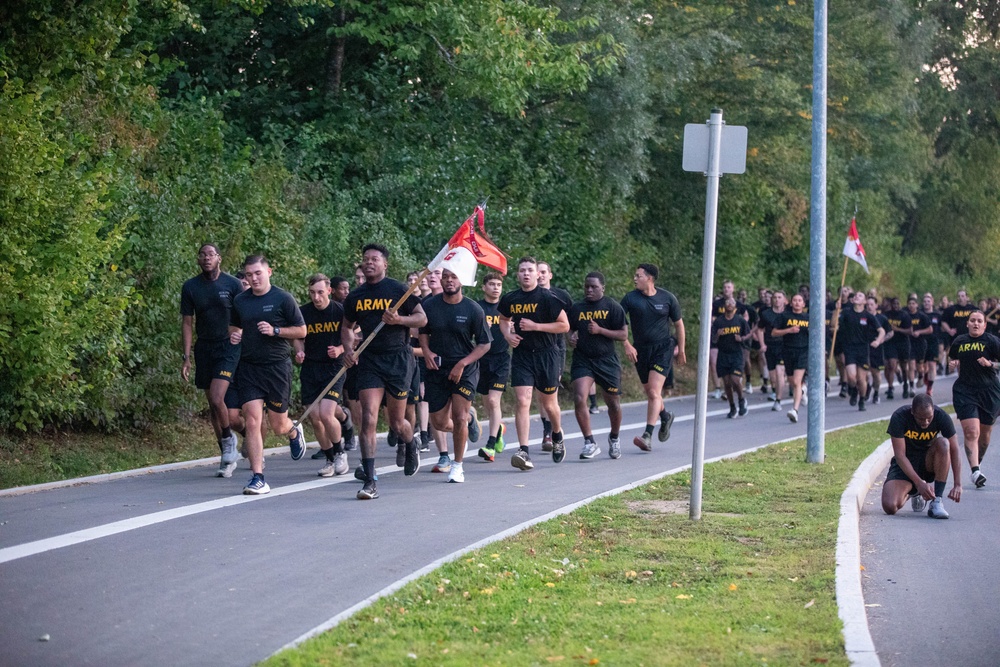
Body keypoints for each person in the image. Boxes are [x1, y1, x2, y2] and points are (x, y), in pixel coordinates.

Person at [342, 244, 427, 499]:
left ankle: (410, 442)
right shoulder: (355, 296)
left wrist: (399, 320)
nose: (369, 263)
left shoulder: (399, 290)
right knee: (368, 418)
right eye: (366, 259)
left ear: (384, 264)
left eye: (375, 259)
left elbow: (421, 319)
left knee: (397, 422)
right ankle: (370, 480)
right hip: (369, 360)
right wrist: (348, 349)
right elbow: (347, 326)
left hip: (398, 359)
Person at [228, 254, 307, 495]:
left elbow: (301, 330)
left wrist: (276, 330)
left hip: (276, 368)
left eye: (258, 273)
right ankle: (258, 477)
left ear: (269, 272)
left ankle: (293, 430)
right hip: (249, 367)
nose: (253, 278)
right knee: (252, 420)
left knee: (278, 425)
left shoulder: (283, 298)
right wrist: (235, 334)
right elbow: (234, 325)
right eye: (249, 275)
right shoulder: (241, 300)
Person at [419, 268, 493, 483]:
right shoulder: (429, 305)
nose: (449, 281)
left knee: (458, 417)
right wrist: (426, 351)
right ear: (441, 280)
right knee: (440, 423)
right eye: (446, 277)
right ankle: (471, 421)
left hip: (465, 369)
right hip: (437, 369)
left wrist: (463, 363)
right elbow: (423, 332)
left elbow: (484, 344)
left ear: (462, 281)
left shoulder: (473, 309)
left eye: (454, 277)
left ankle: (457, 466)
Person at [180, 244, 247, 478]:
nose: (207, 258)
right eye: (203, 255)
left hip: (228, 347)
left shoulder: (232, 284)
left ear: (219, 258)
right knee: (212, 404)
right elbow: (187, 323)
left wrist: (242, 334)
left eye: (211, 255)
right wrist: (186, 357)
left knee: (219, 398)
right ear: (198, 260)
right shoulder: (191, 287)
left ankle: (230, 439)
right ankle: (226, 455)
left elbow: (245, 313)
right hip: (204, 348)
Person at [498, 257, 570, 470]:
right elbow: (503, 319)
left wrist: (536, 326)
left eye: (530, 270)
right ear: (517, 274)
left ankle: (557, 435)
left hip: (547, 354)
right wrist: (508, 336)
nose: (526, 274)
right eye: (522, 270)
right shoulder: (511, 298)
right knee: (522, 400)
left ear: (538, 274)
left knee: (549, 404)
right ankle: (524, 450)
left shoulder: (548, 297)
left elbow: (564, 326)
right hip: (522, 355)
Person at [621, 263, 685, 450]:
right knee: (650, 392)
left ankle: (647, 435)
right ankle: (665, 416)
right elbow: (618, 321)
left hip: (663, 349)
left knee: (654, 392)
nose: (634, 278)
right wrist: (627, 344)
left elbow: (679, 325)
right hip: (641, 350)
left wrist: (681, 349)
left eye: (638, 275)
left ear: (649, 278)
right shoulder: (630, 298)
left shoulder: (667, 298)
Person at [567, 271, 628, 458]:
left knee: (613, 404)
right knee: (579, 397)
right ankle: (589, 442)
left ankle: (615, 437)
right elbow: (567, 327)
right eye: (587, 286)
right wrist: (571, 336)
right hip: (583, 359)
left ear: (603, 287)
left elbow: (623, 335)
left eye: (594, 287)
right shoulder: (577, 308)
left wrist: (601, 330)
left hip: (606, 360)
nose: (589, 290)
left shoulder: (613, 307)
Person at [293, 274, 348, 477]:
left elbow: (357, 335)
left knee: (326, 414)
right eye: (312, 293)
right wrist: (299, 351)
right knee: (315, 418)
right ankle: (330, 458)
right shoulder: (303, 312)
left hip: (334, 367)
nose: (316, 297)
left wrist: (341, 349)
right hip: (311, 368)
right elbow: (298, 337)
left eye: (320, 292)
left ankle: (340, 452)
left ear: (329, 291)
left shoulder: (340, 311)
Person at [881, 394, 962, 519]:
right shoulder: (900, 417)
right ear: (913, 412)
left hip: (928, 461)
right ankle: (913, 492)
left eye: (929, 418)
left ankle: (937, 501)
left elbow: (955, 449)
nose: (925, 422)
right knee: (890, 506)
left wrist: (957, 484)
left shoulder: (941, 417)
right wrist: (919, 483)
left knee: (944, 444)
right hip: (906, 463)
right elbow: (900, 456)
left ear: (933, 411)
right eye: (921, 419)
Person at [947, 309, 1000, 489]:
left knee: (984, 437)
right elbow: (952, 359)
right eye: (973, 320)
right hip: (965, 391)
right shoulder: (960, 341)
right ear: (967, 323)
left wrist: (990, 364)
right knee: (971, 431)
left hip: (989, 392)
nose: (976, 323)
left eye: (979, 321)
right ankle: (975, 471)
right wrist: (953, 364)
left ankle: (977, 463)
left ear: (985, 325)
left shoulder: (992, 341)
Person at [536, 261, 574, 451]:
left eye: (544, 272)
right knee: (539, 392)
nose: (541, 275)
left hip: (556, 346)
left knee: (550, 391)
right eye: (538, 272)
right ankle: (546, 430)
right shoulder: (529, 296)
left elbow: (572, 319)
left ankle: (552, 432)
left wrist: (575, 334)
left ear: (550, 275)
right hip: (534, 347)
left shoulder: (561, 296)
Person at [476, 272, 510, 462]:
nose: (496, 287)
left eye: (499, 284)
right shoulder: (478, 308)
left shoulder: (506, 308)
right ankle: (498, 431)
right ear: (484, 287)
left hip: (501, 358)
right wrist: (482, 327)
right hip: (481, 359)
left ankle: (490, 445)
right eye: (492, 284)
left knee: (493, 400)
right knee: (486, 402)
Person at [838, 290, 885, 412]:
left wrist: (878, 341)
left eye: (860, 296)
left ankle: (862, 399)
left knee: (861, 379)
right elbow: (835, 325)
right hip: (850, 349)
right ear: (852, 300)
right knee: (852, 377)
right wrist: (836, 311)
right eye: (856, 296)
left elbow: (882, 331)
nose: (857, 297)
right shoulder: (846, 313)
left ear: (864, 301)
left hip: (863, 349)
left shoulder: (868, 316)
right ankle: (853, 391)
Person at [711, 296, 751, 418]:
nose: (729, 304)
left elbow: (748, 334)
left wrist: (742, 339)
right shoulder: (718, 322)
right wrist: (717, 335)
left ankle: (741, 399)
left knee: (735, 379)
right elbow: (713, 340)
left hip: (736, 354)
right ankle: (732, 406)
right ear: (724, 305)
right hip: (723, 355)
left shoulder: (740, 320)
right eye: (727, 302)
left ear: (735, 306)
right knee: (727, 383)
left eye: (732, 302)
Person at [773, 293, 809, 423]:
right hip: (788, 350)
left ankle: (795, 410)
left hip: (803, 351)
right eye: (795, 300)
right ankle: (802, 390)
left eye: (800, 300)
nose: (797, 302)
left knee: (796, 382)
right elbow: (774, 332)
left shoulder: (808, 317)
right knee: (792, 381)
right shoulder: (784, 316)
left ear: (804, 304)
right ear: (791, 302)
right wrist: (788, 330)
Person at [758, 290, 788, 411]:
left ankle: (778, 400)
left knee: (779, 371)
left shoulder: (788, 313)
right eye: (775, 297)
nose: (776, 299)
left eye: (779, 297)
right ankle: (776, 390)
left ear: (784, 300)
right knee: (773, 376)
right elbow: (760, 329)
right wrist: (762, 344)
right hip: (770, 346)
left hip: (784, 346)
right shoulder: (766, 314)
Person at [904, 296, 933, 398]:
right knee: (911, 365)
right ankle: (911, 387)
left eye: (913, 303)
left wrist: (919, 332)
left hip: (920, 343)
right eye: (909, 304)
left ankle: (921, 375)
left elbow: (930, 329)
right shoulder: (906, 316)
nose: (911, 306)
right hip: (909, 343)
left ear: (916, 305)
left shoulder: (922, 316)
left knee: (920, 367)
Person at [883, 297, 911, 399]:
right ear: (891, 305)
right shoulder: (886, 315)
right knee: (891, 365)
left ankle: (905, 385)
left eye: (898, 304)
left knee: (904, 367)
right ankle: (890, 388)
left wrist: (897, 329)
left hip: (903, 343)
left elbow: (909, 331)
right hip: (890, 343)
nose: (896, 306)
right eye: (894, 304)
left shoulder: (904, 315)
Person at [865, 296, 891, 405]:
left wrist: (881, 340)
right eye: (868, 305)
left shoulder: (882, 318)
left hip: (877, 348)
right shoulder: (863, 317)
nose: (869, 307)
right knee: (864, 373)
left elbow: (890, 332)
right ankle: (867, 388)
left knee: (876, 373)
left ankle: (876, 393)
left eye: (872, 304)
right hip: (865, 347)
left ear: (876, 305)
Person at [921, 293, 943, 397]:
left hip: (933, 343)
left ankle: (929, 388)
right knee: (922, 367)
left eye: (928, 301)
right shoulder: (920, 314)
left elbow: (942, 328)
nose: (926, 303)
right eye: (925, 301)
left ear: (932, 302)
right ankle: (924, 375)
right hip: (921, 343)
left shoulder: (937, 315)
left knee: (932, 365)